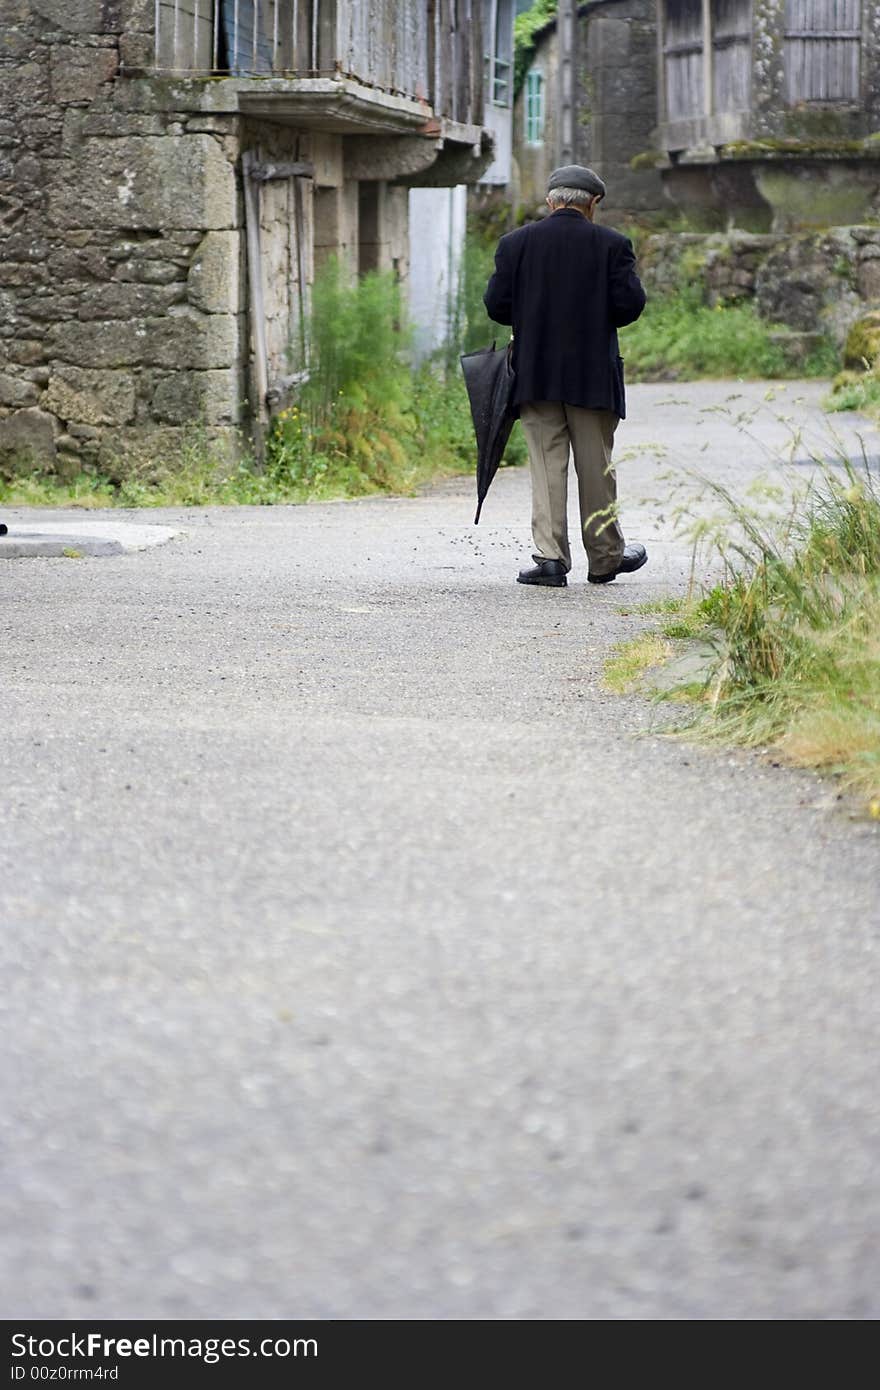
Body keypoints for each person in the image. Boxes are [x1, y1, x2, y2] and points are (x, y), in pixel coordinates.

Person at [483, 165, 647, 586]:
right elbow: (629, 306)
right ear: (592, 204)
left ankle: (551, 558)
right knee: (596, 467)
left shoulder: (515, 245)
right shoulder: (613, 245)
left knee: (546, 464)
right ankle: (605, 558)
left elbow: (497, 306)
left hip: (535, 375)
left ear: (551, 202)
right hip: (592, 376)